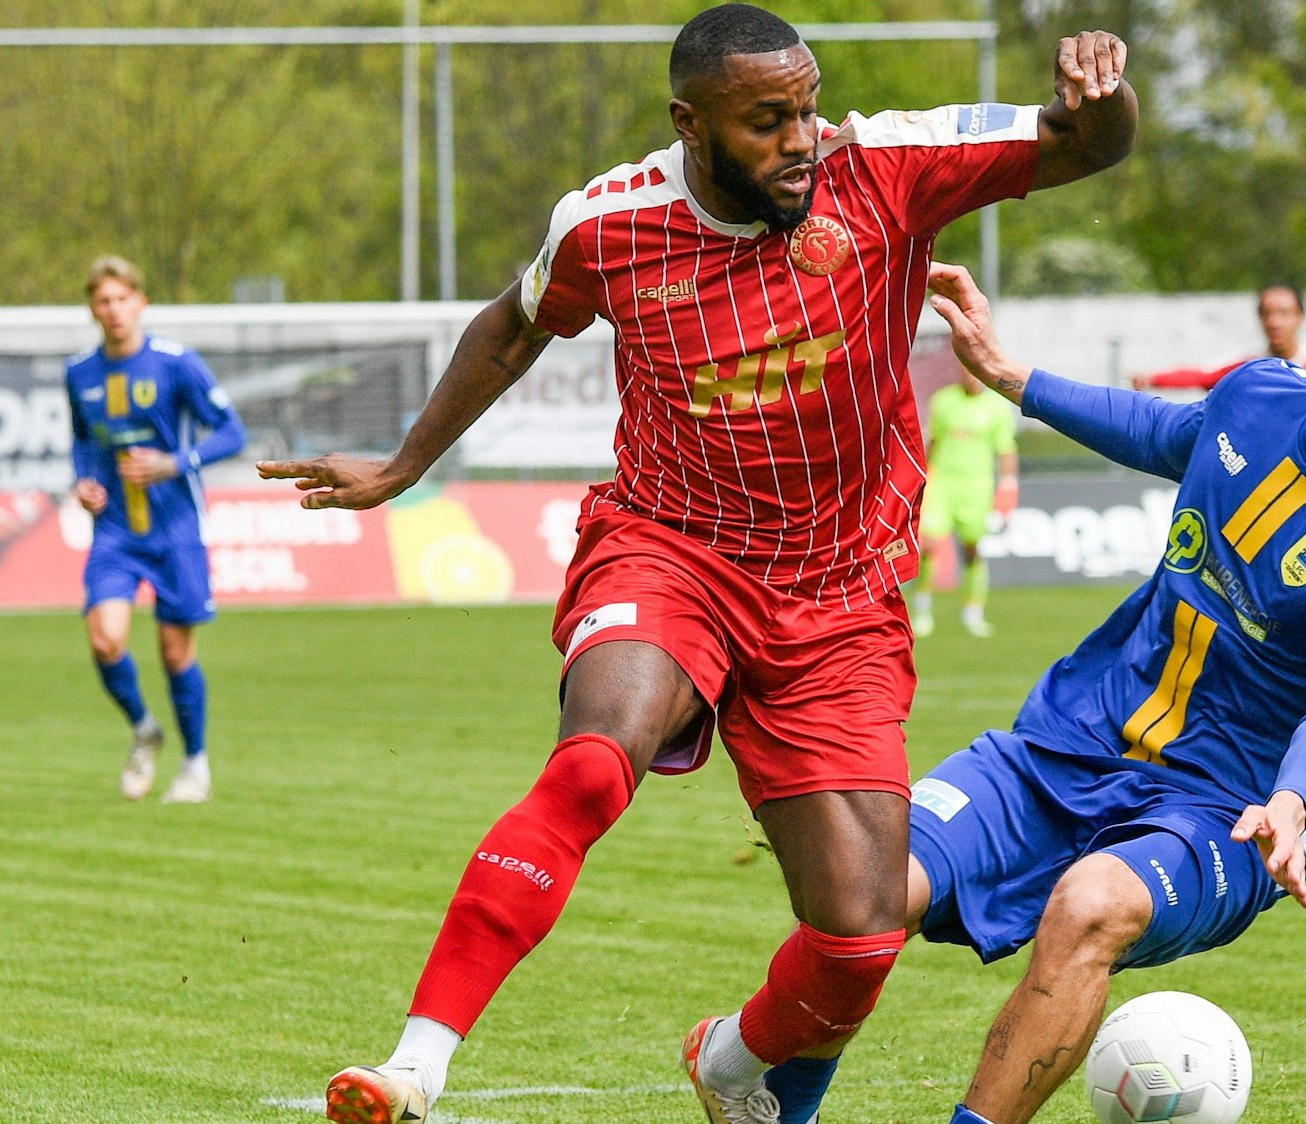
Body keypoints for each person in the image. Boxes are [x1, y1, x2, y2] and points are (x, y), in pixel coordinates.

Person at [256, 6, 1137, 1123]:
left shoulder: (888, 167)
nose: (801, 138)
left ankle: (728, 1060)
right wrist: (404, 464)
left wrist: (1103, 98)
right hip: (670, 550)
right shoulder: (608, 224)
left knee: (860, 938)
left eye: (807, 108)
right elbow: (512, 326)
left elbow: (1083, 144)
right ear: (690, 123)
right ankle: (411, 1066)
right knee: (592, 764)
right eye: (767, 121)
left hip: (838, 594)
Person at [775, 223, 1306, 1124]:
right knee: (861, 899)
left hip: (1223, 815)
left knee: (1090, 904)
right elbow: (1164, 431)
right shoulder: (1256, 396)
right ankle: (764, 1094)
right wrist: (1009, 374)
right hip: (1067, 746)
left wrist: (1294, 801)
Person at [65, 255, 246, 804]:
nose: (114, 310)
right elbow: (83, 440)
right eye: (103, 301)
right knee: (105, 640)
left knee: (175, 653)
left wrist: (174, 463)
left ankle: (195, 766)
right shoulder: (79, 372)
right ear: (92, 309)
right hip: (116, 532)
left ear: (141, 302)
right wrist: (84, 482)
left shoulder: (177, 363)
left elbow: (232, 432)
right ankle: (144, 729)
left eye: (122, 298)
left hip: (175, 529)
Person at [911, 369, 1019, 638]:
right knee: (929, 544)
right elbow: (933, 441)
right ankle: (922, 609)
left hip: (976, 489)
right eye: (966, 372)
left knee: (972, 549)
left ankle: (973, 612)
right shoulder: (943, 401)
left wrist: (1008, 485)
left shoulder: (997, 407)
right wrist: (920, 476)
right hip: (942, 485)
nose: (971, 377)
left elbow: (1006, 450)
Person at [1132, 280, 1306, 392]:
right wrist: (1152, 379)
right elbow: (1202, 375)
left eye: (1284, 314)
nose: (1274, 322)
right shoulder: (1247, 366)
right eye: (1267, 314)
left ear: (1300, 316)